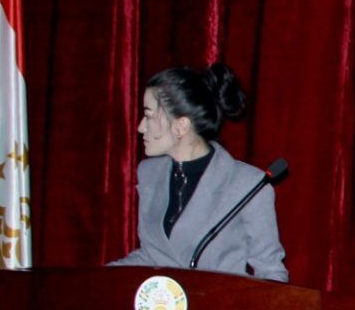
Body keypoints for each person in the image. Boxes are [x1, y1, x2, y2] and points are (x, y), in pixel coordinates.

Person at [109, 63, 287, 280]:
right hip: (163, 301)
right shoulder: (149, 173)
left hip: (221, 300)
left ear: (181, 126)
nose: (140, 127)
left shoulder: (249, 185)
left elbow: (271, 272)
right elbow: (151, 256)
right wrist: (97, 279)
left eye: (149, 116)